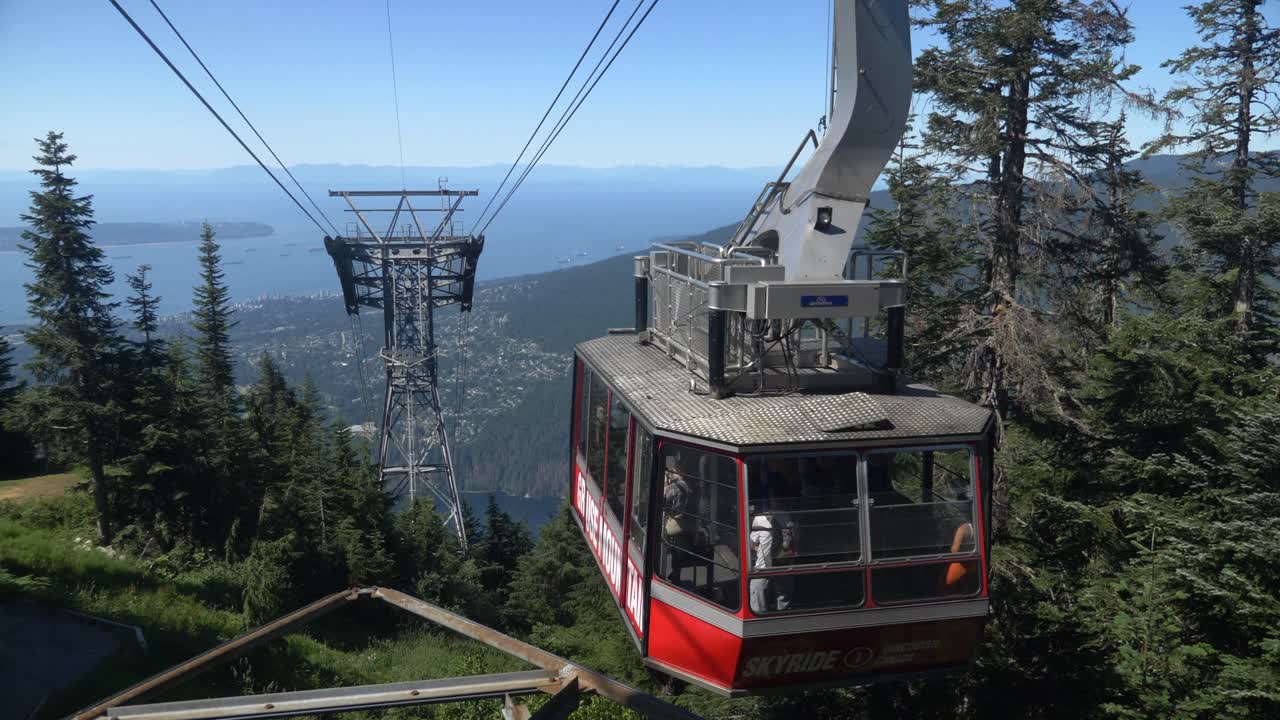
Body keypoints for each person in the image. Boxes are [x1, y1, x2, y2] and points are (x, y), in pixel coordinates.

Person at [661, 454, 691, 582]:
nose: (671, 473)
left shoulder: (675, 487)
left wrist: (665, 485)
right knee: (677, 552)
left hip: (674, 523)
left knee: (670, 548)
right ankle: (676, 574)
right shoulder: (687, 486)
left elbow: (664, 502)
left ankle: (670, 575)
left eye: (673, 471)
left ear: (679, 472)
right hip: (685, 522)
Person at [749, 513, 777, 613]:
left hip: (760, 570)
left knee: (758, 607)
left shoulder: (760, 522)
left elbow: (750, 543)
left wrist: (757, 548)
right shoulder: (777, 523)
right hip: (771, 568)